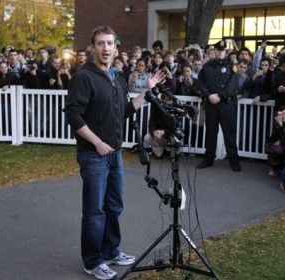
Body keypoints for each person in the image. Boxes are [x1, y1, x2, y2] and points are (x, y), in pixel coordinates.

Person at [63, 25, 164, 280]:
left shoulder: (117, 78)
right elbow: (73, 116)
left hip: (115, 154)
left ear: (115, 47)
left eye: (110, 43)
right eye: (101, 43)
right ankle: (93, 261)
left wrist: (147, 89)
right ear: (92, 47)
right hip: (93, 155)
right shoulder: (83, 77)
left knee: (114, 206)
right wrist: (97, 143)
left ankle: (110, 250)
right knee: (95, 212)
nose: (106, 48)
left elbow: (125, 111)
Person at [197, 39, 241, 171]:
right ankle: (208, 159)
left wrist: (221, 96)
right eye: (219, 50)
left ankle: (234, 161)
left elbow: (233, 83)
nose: (221, 52)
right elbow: (201, 83)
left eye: (223, 50)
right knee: (210, 133)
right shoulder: (207, 66)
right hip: (211, 105)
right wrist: (209, 95)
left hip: (226, 105)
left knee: (229, 134)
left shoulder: (231, 65)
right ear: (214, 51)